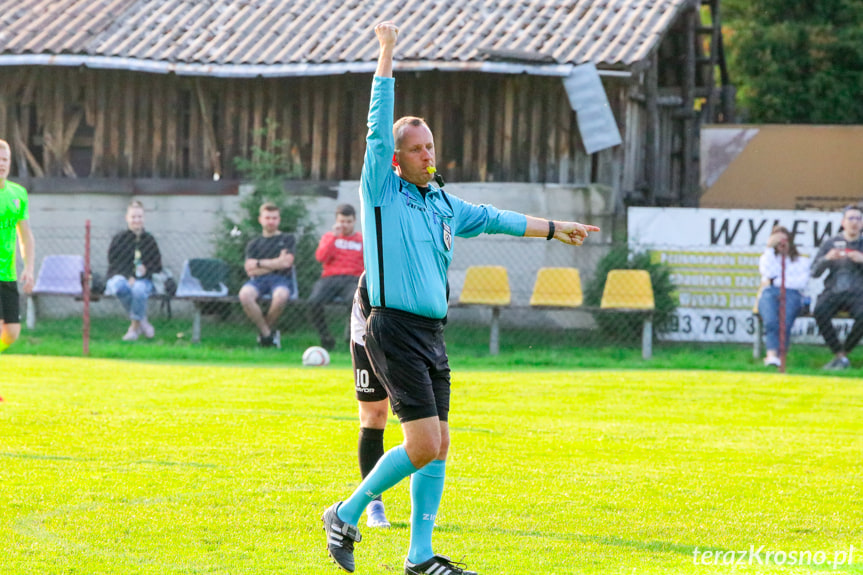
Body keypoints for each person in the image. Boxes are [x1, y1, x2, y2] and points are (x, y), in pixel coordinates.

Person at [322, 22, 600, 575]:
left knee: (440, 443)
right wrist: (386, 54)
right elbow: (378, 128)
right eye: (417, 149)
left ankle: (420, 556)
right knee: (422, 443)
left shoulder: (444, 203)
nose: (428, 155)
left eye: (430, 147)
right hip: (392, 327)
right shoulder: (381, 191)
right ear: (396, 159)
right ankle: (345, 511)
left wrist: (554, 228)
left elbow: (497, 218)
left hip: (430, 332)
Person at [350, 272, 391, 529]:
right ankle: (373, 504)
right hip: (368, 334)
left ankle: (424, 513)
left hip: (415, 339)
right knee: (374, 416)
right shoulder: (374, 275)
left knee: (426, 426)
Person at [811, 204, 863, 370]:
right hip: (834, 291)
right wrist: (827, 259)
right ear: (843, 222)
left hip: (858, 294)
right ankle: (839, 354)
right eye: (850, 218)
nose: (854, 222)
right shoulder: (831, 243)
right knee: (819, 310)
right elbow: (814, 272)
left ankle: (843, 354)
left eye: (858, 219)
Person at [239, 202, 296, 348]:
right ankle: (268, 333)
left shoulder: (288, 239)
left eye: (274, 218)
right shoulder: (253, 243)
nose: (271, 221)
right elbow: (250, 270)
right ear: (260, 219)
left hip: (282, 280)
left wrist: (258, 263)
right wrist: (276, 262)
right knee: (245, 295)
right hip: (258, 281)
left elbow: (286, 264)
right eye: (268, 218)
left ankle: (264, 335)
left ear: (279, 220)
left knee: (281, 296)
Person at [308, 204, 364, 350]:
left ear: (354, 221)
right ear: (336, 221)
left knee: (355, 301)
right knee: (314, 302)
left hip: (352, 279)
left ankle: (351, 336)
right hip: (330, 278)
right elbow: (321, 257)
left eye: (348, 221)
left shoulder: (362, 240)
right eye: (342, 221)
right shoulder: (329, 237)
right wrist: (334, 237)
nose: (345, 225)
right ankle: (325, 336)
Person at [106, 200, 162, 341]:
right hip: (121, 277)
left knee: (138, 290)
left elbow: (157, 265)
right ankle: (142, 321)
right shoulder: (119, 239)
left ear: (143, 218)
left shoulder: (149, 240)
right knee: (119, 286)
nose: (136, 220)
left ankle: (133, 328)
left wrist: (146, 270)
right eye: (133, 217)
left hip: (143, 280)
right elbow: (113, 262)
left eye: (139, 217)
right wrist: (127, 276)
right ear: (127, 218)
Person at [756, 225, 811, 367]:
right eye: (777, 241)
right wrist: (769, 248)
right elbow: (767, 273)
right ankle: (772, 356)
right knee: (770, 321)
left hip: (792, 294)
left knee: (785, 323)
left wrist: (777, 280)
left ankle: (781, 356)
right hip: (770, 292)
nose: (781, 244)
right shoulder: (768, 258)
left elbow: (801, 283)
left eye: (784, 240)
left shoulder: (802, 261)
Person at [0, 139, 35, 355]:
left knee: (11, 332)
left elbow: (26, 235)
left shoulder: (18, 194)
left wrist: (29, 268)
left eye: (4, 159)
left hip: (8, 274)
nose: (1, 164)